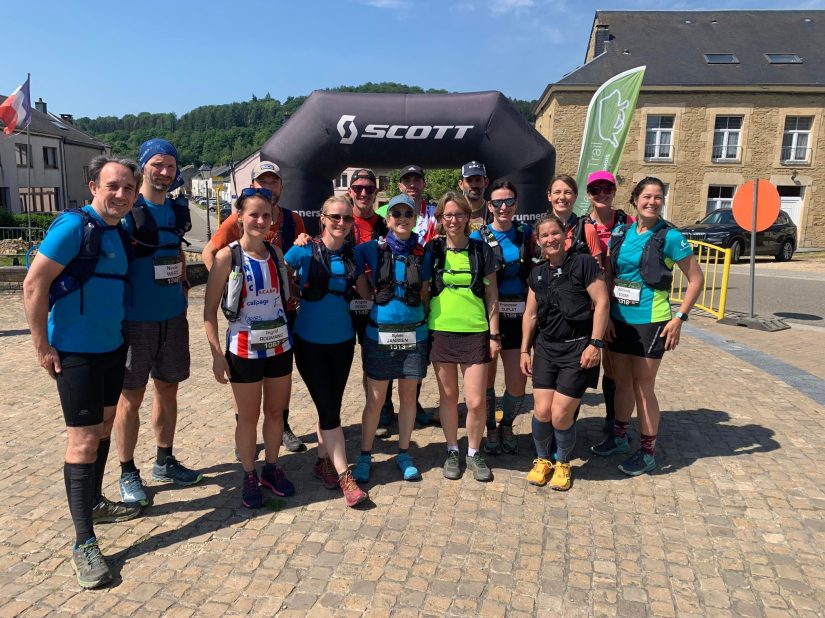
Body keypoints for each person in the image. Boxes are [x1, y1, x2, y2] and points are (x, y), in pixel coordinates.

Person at [23, 155, 143, 589]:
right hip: (75, 353)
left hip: (112, 347)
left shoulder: (119, 232)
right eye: (113, 186)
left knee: (106, 425)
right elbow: (33, 284)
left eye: (128, 188)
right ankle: (83, 542)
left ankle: (94, 502)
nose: (121, 194)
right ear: (93, 187)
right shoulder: (74, 227)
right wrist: (42, 346)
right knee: (84, 439)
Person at [591, 177, 704, 475]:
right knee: (621, 381)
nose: (652, 202)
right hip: (619, 320)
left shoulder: (670, 237)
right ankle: (619, 437)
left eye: (658, 197)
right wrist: (607, 317)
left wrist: (680, 318)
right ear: (635, 200)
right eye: (647, 196)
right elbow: (610, 276)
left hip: (651, 321)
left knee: (643, 386)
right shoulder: (621, 232)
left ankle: (647, 452)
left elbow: (696, 279)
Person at [114, 139, 202, 508]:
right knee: (130, 397)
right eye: (157, 165)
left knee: (168, 389)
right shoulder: (126, 210)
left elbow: (176, 250)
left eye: (170, 166)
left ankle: (164, 461)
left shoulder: (176, 211)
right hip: (135, 320)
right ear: (143, 167)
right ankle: (127, 471)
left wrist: (183, 286)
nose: (164, 172)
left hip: (172, 317)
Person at [203, 161, 307, 453]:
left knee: (278, 388)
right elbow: (210, 252)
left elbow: (292, 265)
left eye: (273, 182)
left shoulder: (292, 220)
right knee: (247, 394)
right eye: (263, 182)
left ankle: (282, 430)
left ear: (281, 186)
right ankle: (246, 438)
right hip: (246, 330)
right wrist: (231, 289)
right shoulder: (238, 222)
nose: (268, 187)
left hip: (281, 320)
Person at [204, 188, 296, 508]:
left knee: (275, 413)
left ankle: (271, 468)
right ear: (240, 217)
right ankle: (248, 474)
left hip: (279, 346)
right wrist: (217, 355)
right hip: (244, 350)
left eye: (266, 215)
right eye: (253, 214)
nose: (260, 220)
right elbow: (208, 313)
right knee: (248, 418)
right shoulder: (226, 257)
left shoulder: (276, 253)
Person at [284, 195, 369, 507]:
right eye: (335, 216)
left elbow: (365, 292)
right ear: (322, 218)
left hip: (343, 341)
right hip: (309, 342)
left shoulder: (352, 254)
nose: (341, 223)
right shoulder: (304, 249)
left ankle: (322, 462)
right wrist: (293, 291)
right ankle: (346, 476)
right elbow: (278, 269)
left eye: (346, 218)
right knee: (329, 409)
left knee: (330, 404)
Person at [520, 214, 609, 490]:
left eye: (555, 233)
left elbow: (602, 302)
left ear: (565, 235)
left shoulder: (583, 263)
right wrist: (524, 350)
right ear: (538, 241)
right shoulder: (537, 273)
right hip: (546, 348)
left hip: (578, 348)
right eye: (544, 235)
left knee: (560, 414)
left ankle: (563, 461)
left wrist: (595, 344)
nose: (550, 239)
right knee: (542, 410)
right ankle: (543, 459)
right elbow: (530, 314)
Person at [351, 194, 431, 483]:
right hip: (379, 334)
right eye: (396, 213)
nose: (402, 218)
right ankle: (365, 454)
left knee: (408, 397)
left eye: (408, 214)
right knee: (375, 399)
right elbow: (356, 271)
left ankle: (404, 453)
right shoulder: (369, 249)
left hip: (414, 334)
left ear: (415, 219)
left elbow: (425, 291)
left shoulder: (423, 252)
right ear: (387, 219)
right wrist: (369, 295)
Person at [426, 192, 500, 482]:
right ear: (441, 219)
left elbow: (492, 295)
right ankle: (452, 449)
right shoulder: (433, 249)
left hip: (475, 331)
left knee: (476, 401)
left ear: (468, 217)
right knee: (448, 397)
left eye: (459, 214)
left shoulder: (481, 250)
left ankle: (473, 451)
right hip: (441, 329)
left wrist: (494, 334)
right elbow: (424, 290)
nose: (454, 220)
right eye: (448, 215)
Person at [470, 180, 533, 457]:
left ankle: (507, 424)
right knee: (486, 380)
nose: (503, 207)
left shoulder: (526, 233)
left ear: (516, 204)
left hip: (519, 316)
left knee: (517, 382)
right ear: (490, 205)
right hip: (488, 316)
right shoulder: (478, 237)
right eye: (497, 202)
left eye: (509, 201)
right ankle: (490, 428)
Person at [375, 164, 438, 436]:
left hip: (422, 280)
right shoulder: (384, 212)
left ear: (424, 183)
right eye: (407, 180)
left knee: (415, 355)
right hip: (390, 289)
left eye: (417, 179)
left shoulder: (434, 212)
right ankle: (385, 405)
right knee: (388, 350)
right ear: (399, 185)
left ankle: (414, 403)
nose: (412, 184)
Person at [583, 170, 632, 432]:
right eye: (596, 189)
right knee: (583, 360)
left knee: (613, 366)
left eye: (607, 189)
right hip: (588, 303)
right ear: (588, 194)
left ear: (614, 191)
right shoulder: (582, 225)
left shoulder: (628, 223)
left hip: (619, 304)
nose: (601, 194)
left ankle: (613, 419)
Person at [547, 174, 602, 264]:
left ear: (575, 196)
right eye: (557, 192)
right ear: (549, 196)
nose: (562, 197)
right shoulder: (539, 231)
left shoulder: (587, 230)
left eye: (568, 192)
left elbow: (597, 270)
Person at [459, 160, 490, 232]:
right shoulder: (452, 212)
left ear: (486, 182)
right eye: (469, 180)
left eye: (478, 180)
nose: (474, 185)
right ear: (461, 185)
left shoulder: (494, 212)